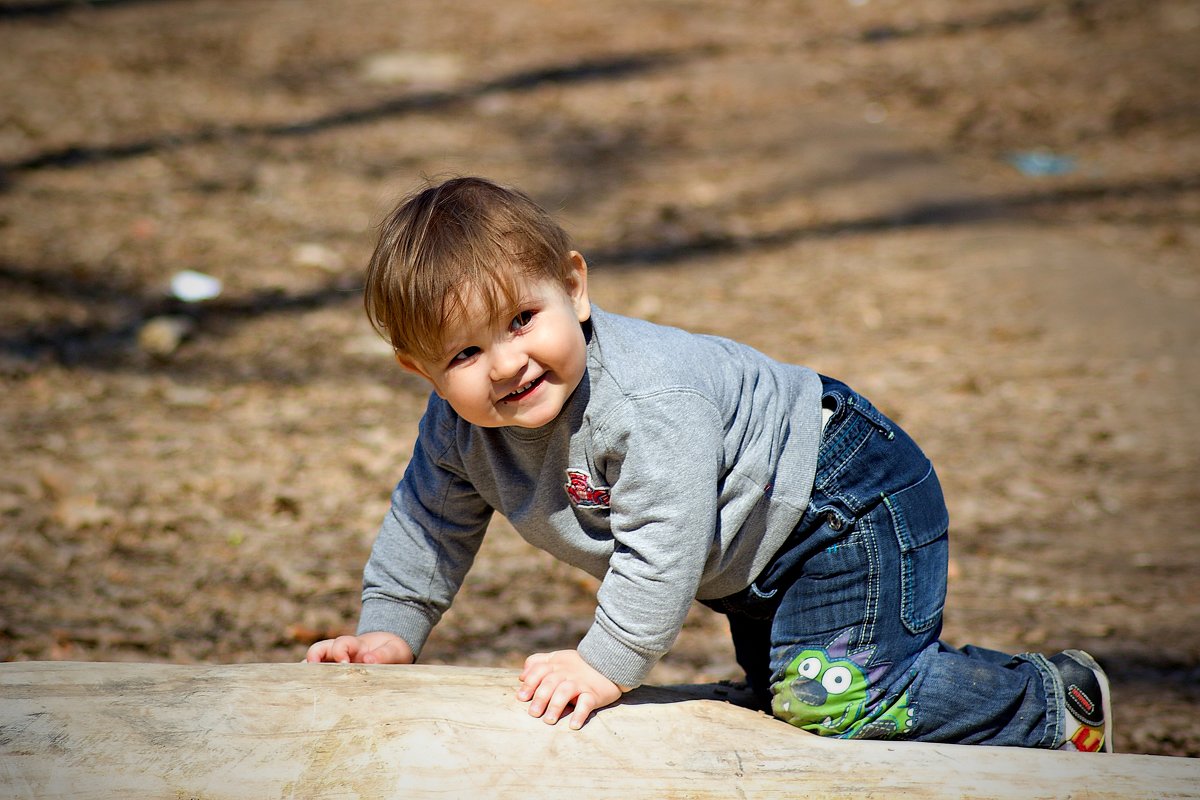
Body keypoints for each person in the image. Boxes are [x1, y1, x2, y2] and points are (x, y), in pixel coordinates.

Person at [305, 176, 1112, 751]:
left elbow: (664, 538)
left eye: (522, 320)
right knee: (783, 700)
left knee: (832, 698)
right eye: (467, 352)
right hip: (758, 541)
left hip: (839, 502)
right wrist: (388, 635)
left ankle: (1049, 701)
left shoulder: (647, 399)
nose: (508, 363)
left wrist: (604, 663)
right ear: (422, 371)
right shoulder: (456, 431)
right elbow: (428, 524)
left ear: (574, 289)